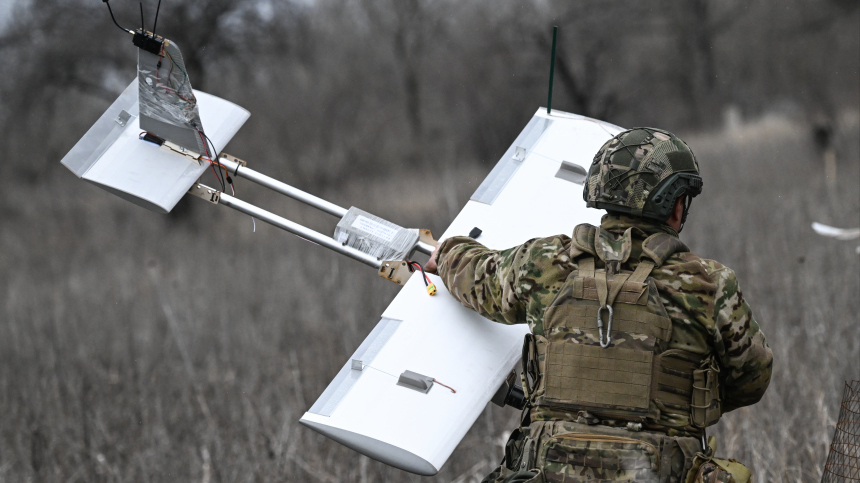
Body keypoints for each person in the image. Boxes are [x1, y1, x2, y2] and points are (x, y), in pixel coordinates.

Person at [425, 128, 773, 483]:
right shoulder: (710, 284)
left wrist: (448, 252)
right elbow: (752, 380)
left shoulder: (544, 262)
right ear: (677, 204)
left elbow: (479, 278)